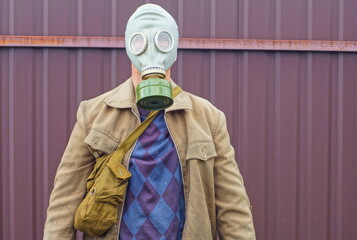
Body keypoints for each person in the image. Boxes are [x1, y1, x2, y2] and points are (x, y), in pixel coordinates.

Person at [44, 3, 255, 240]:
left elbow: (232, 205)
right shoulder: (94, 114)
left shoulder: (207, 118)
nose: (152, 51)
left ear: (173, 48)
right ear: (130, 47)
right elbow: (64, 201)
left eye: (163, 41)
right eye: (140, 42)